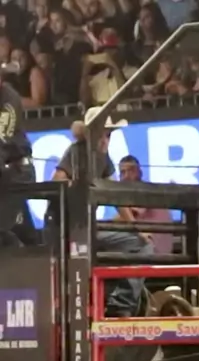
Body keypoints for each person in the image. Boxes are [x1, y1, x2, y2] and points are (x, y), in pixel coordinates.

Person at [53, 106, 154, 317]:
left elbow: (115, 197)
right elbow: (57, 181)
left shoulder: (103, 159)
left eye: (109, 135)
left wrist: (136, 230)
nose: (106, 140)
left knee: (144, 246)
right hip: (68, 229)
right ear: (92, 134)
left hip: (88, 229)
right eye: (103, 134)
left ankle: (120, 305)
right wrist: (75, 188)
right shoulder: (76, 151)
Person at [0, 70, 36, 245]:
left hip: (17, 170)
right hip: (6, 173)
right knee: (21, 230)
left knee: (4, 228)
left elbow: (3, 138)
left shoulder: (8, 98)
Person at [116, 154, 174, 257]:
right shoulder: (146, 191)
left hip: (153, 248)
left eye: (131, 171)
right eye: (123, 172)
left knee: (101, 238)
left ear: (140, 173)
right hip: (154, 248)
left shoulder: (144, 191)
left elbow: (123, 218)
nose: (126, 176)